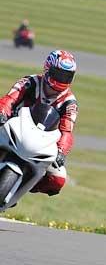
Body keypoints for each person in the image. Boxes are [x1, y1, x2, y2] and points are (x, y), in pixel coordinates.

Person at [0, 50, 78, 196]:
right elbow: (9, 99)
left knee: (58, 179)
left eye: (67, 76)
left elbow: (67, 131)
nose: (62, 79)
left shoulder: (70, 103)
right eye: (59, 74)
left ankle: (23, 185)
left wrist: (61, 151)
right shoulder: (30, 82)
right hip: (13, 128)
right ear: (48, 69)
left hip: (41, 143)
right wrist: (2, 112)